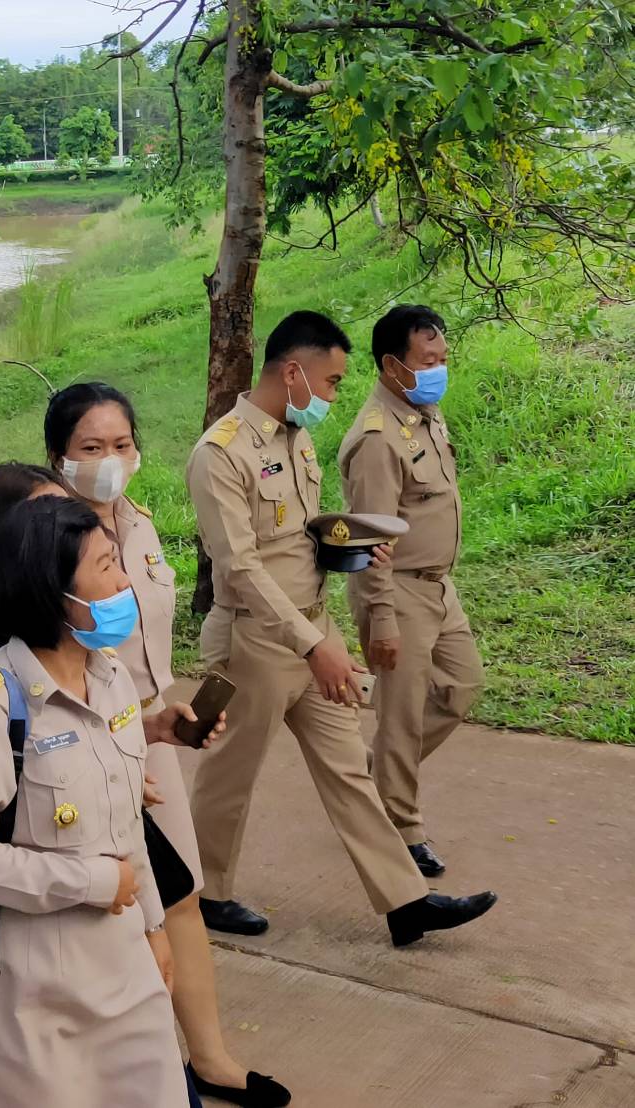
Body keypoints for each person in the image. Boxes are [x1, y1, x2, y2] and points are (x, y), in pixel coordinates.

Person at [185, 309, 497, 948]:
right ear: (293, 371)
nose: (333, 395)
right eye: (329, 382)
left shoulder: (294, 435)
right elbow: (239, 567)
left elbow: (293, 536)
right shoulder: (220, 453)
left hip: (311, 632)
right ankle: (205, 893)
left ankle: (405, 902)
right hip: (256, 641)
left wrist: (345, 542)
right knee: (230, 776)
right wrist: (314, 646)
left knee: (351, 773)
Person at [44, 382, 289, 1108]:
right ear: (58, 457)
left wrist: (164, 719)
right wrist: (111, 748)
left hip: (146, 728)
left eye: (121, 445)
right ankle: (110, 1069)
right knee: (105, 911)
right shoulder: (45, 537)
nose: (110, 460)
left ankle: (209, 1057)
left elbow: (141, 649)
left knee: (177, 896)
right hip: (87, 742)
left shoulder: (139, 525)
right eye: (91, 448)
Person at [0, 495, 190, 1108]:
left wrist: (154, 925)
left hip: (125, 975)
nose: (125, 582)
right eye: (105, 568)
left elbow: (128, 822)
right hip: (30, 999)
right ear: (52, 593)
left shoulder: (111, 676)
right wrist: (93, 881)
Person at [338, 305, 483, 877]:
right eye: (429, 361)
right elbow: (370, 538)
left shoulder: (425, 414)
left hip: (438, 588)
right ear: (392, 365)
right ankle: (401, 827)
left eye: (443, 359)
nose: (438, 369)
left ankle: (375, 780)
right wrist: (383, 618)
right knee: (400, 716)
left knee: (461, 686)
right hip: (397, 591)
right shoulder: (377, 439)